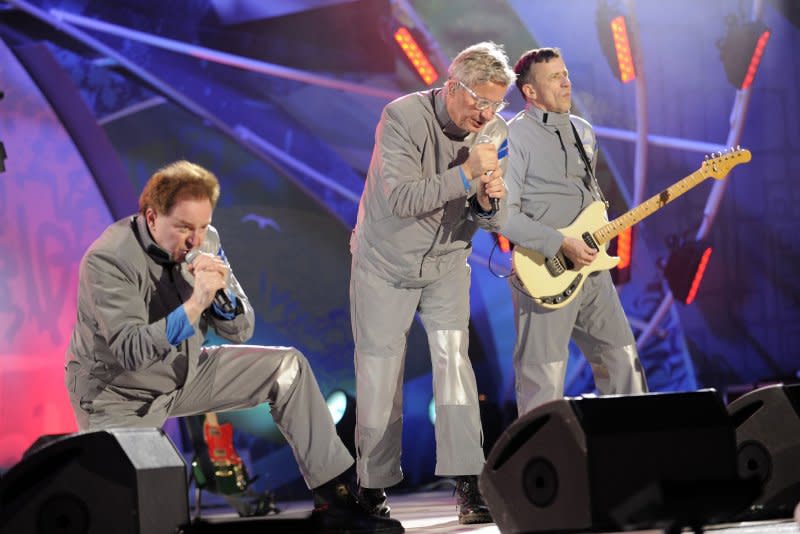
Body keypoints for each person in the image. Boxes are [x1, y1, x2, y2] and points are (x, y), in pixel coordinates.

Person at [65, 160, 403, 533]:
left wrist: (221, 295)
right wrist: (195, 304)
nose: (195, 240)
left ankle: (338, 498)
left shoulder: (207, 241)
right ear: (151, 217)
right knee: (125, 516)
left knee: (287, 367)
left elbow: (242, 330)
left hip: (184, 371)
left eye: (202, 225)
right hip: (118, 392)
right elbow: (131, 351)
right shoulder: (108, 259)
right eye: (183, 228)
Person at [349, 41, 513, 524]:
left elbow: (490, 214)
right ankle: (372, 487)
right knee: (380, 373)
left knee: (454, 366)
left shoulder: (497, 130)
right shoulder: (401, 117)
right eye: (479, 101)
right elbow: (399, 197)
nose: (486, 114)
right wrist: (466, 176)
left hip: (445, 264)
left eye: (496, 104)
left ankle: (469, 483)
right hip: (383, 265)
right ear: (451, 86)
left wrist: (488, 202)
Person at [501, 47, 649, 417]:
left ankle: (637, 453)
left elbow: (588, 200)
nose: (565, 81)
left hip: (592, 269)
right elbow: (502, 216)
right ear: (530, 92)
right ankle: (543, 462)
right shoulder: (513, 137)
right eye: (554, 76)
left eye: (565, 73)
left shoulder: (583, 131)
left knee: (624, 365)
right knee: (543, 383)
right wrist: (558, 243)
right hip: (544, 270)